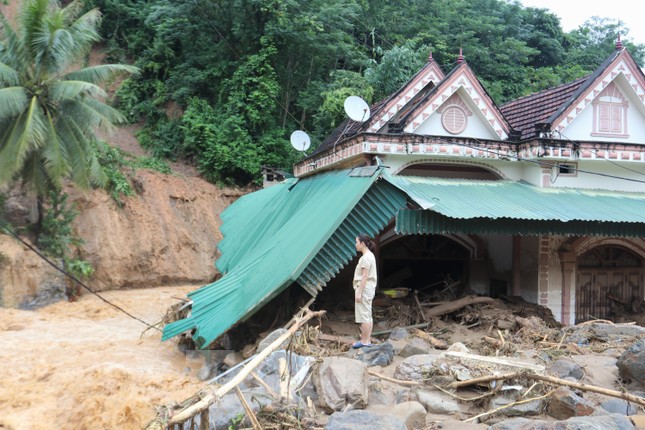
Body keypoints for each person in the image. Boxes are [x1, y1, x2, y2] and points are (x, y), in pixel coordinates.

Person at [352, 234, 377, 348]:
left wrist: (359, 292)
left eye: (357, 242)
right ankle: (367, 340)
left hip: (365, 288)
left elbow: (364, 276)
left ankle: (364, 341)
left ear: (362, 243)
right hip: (369, 288)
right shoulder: (370, 255)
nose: (356, 244)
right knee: (368, 315)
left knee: (364, 316)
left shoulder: (366, 257)